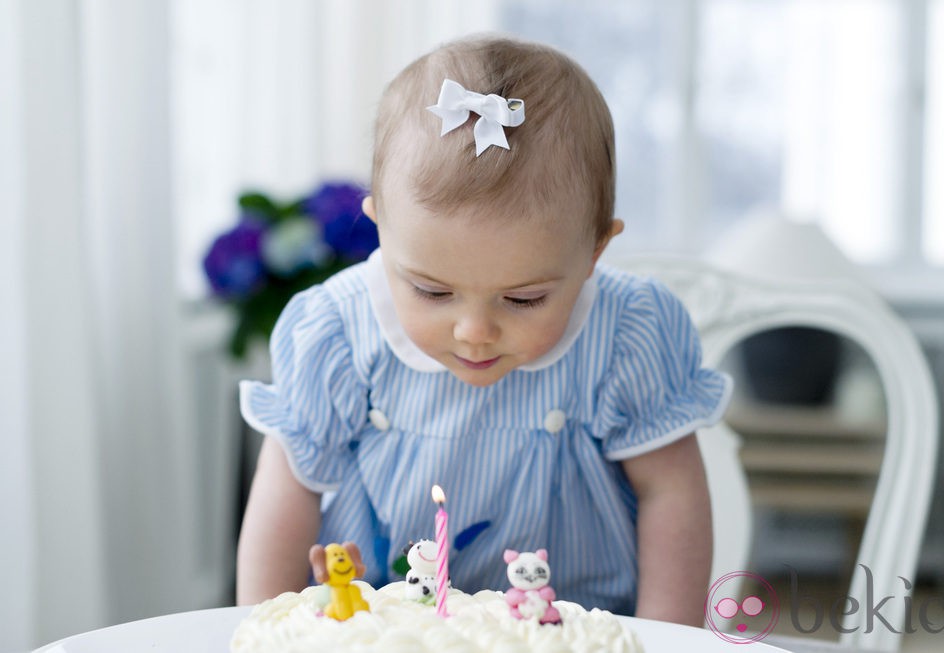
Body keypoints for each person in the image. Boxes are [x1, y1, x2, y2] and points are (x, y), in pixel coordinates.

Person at [236, 34, 731, 627]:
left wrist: (664, 639)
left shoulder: (626, 335)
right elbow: (284, 499)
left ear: (595, 250)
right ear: (381, 231)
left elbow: (671, 497)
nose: (474, 331)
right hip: (385, 630)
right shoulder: (340, 332)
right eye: (431, 291)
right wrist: (262, 629)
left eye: (524, 299)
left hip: (577, 629)